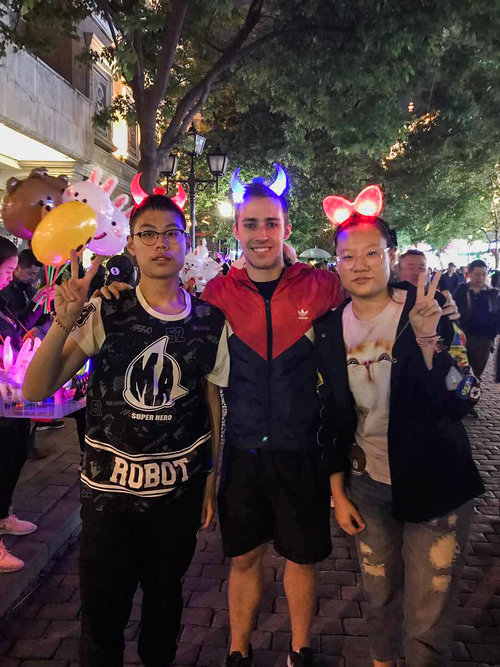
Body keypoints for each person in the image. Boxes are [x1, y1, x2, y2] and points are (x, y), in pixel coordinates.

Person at [24, 193, 226, 667]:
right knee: (101, 619)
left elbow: (214, 404)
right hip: (106, 500)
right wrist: (65, 319)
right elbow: (37, 387)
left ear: (185, 242)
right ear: (131, 246)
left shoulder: (211, 323)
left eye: (171, 234)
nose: (161, 244)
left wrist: (212, 479)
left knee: (164, 608)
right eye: (148, 235)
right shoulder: (106, 312)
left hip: (176, 497)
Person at [315, 212, 484, 667]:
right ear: (337, 264)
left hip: (438, 483)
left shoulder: (426, 312)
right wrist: (337, 489)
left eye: (372, 252)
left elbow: (466, 396)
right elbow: (332, 415)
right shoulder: (329, 329)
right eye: (348, 256)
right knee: (377, 593)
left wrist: (430, 339)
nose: (360, 264)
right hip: (368, 483)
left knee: (430, 603)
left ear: (390, 256)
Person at [201, 180, 343, 667]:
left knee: (302, 559)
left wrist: (413, 300)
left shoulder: (321, 286)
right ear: (237, 229)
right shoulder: (216, 293)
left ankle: (299, 650)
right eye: (251, 223)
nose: (261, 233)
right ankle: (238, 649)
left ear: (286, 229)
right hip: (244, 451)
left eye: (271, 223)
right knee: (243, 558)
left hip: (302, 449)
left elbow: (372, 295)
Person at [0, 237, 38, 573]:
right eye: (8, 270)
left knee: (14, 453)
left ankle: (3, 515)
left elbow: (21, 327)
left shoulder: (5, 300)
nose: (11, 277)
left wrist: (40, 308)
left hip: (11, 395)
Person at [454, 259, 500, 379]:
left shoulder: (493, 294)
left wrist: (493, 333)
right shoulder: (461, 290)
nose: (480, 277)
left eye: (483, 274)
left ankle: (472, 393)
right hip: (461, 338)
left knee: (477, 371)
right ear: (469, 274)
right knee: (459, 370)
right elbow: (453, 312)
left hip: (483, 340)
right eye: (477, 274)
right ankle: (461, 395)